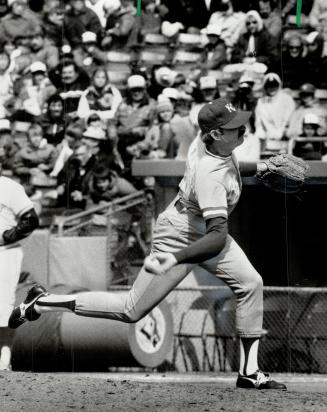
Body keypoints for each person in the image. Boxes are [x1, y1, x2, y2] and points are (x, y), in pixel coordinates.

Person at [9, 98, 286, 390]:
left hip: (199, 226)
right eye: (234, 127)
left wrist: (263, 165)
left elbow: (231, 166)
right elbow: (216, 238)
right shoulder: (209, 173)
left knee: (251, 282)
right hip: (179, 233)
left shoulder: (214, 145)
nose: (243, 129)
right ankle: (42, 302)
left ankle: (249, 371)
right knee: (131, 310)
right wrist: (177, 258)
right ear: (215, 134)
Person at [0, 168, 39, 370]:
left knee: (2, 304)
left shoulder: (9, 187)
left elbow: (31, 220)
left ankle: (4, 358)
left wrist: (6, 236)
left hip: (5, 252)